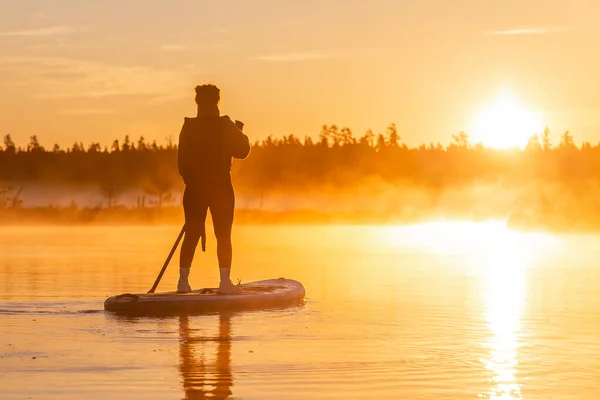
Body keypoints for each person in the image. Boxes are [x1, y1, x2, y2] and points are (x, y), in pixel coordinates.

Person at [177, 84, 250, 294]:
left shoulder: (188, 127)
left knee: (191, 233)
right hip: (220, 188)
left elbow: (182, 163)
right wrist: (239, 133)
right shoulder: (226, 126)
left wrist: (193, 185)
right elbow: (242, 151)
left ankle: (183, 283)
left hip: (194, 189)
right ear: (217, 101)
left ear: (197, 102)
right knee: (223, 235)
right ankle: (225, 283)